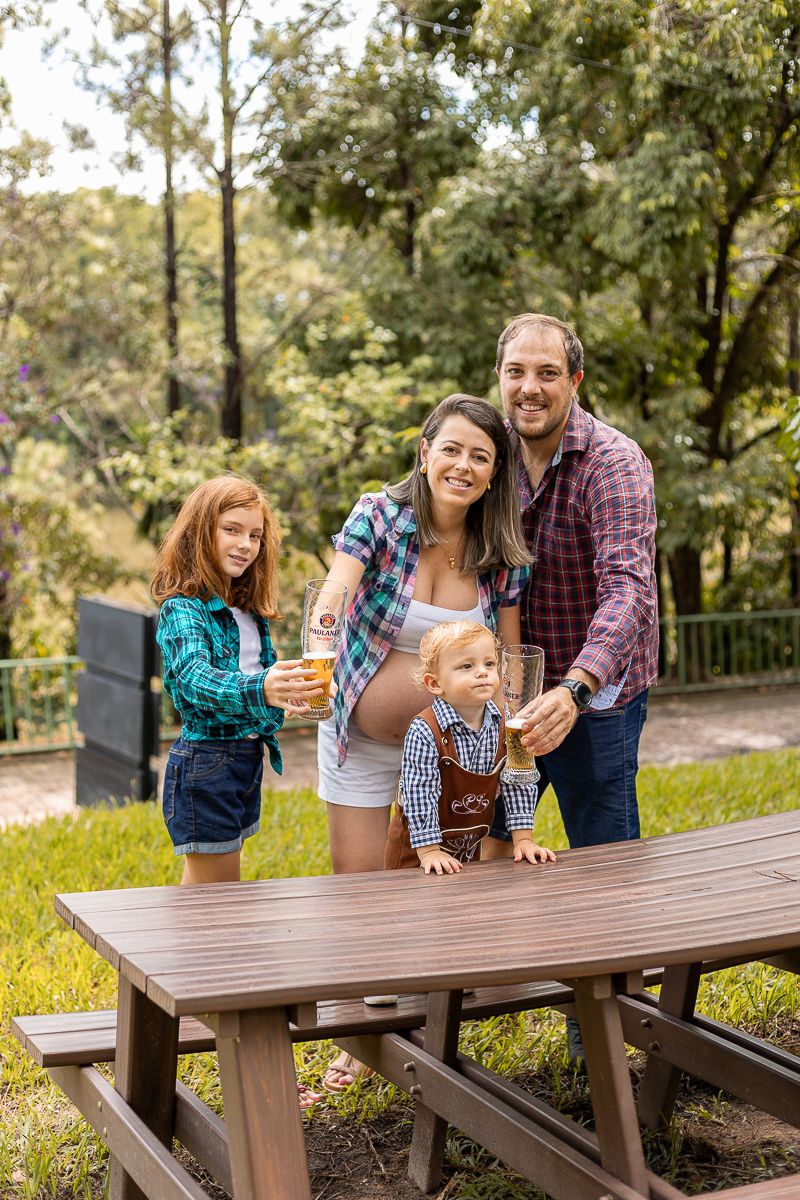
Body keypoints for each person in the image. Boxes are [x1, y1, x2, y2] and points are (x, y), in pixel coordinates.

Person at [317, 393, 532, 1092]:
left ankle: (432, 1033)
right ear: (424, 452)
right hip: (359, 735)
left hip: (449, 756)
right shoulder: (379, 517)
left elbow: (507, 648)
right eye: (452, 449)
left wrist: (513, 722)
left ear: (494, 473)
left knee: (432, 883)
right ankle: (357, 1043)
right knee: (359, 891)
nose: (463, 466)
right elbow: (337, 591)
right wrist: (320, 627)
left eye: (481, 457)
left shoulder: (499, 546)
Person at [492, 312, 658, 1064]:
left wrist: (577, 687)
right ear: (500, 378)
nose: (530, 388)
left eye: (547, 373)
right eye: (516, 372)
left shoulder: (615, 463)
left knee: (603, 869)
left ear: (575, 382)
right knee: (479, 852)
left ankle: (614, 1056)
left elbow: (628, 591)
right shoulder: (485, 453)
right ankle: (467, 1033)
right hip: (502, 697)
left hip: (596, 699)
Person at [151, 474, 324, 1107]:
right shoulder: (183, 609)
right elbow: (194, 683)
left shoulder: (248, 609)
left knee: (204, 902)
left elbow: (259, 684)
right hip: (206, 766)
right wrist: (261, 692)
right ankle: (249, 1059)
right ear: (202, 531)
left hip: (241, 763)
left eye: (255, 534)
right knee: (223, 918)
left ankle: (171, 1003)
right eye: (232, 530)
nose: (246, 544)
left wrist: (287, 699)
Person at [385, 620, 556, 874]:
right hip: (417, 856)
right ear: (435, 683)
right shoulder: (425, 730)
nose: (482, 672)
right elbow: (419, 795)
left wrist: (523, 841)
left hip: (467, 850)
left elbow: (517, 782)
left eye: (489, 664)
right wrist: (430, 851)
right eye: (467, 666)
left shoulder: (504, 725)